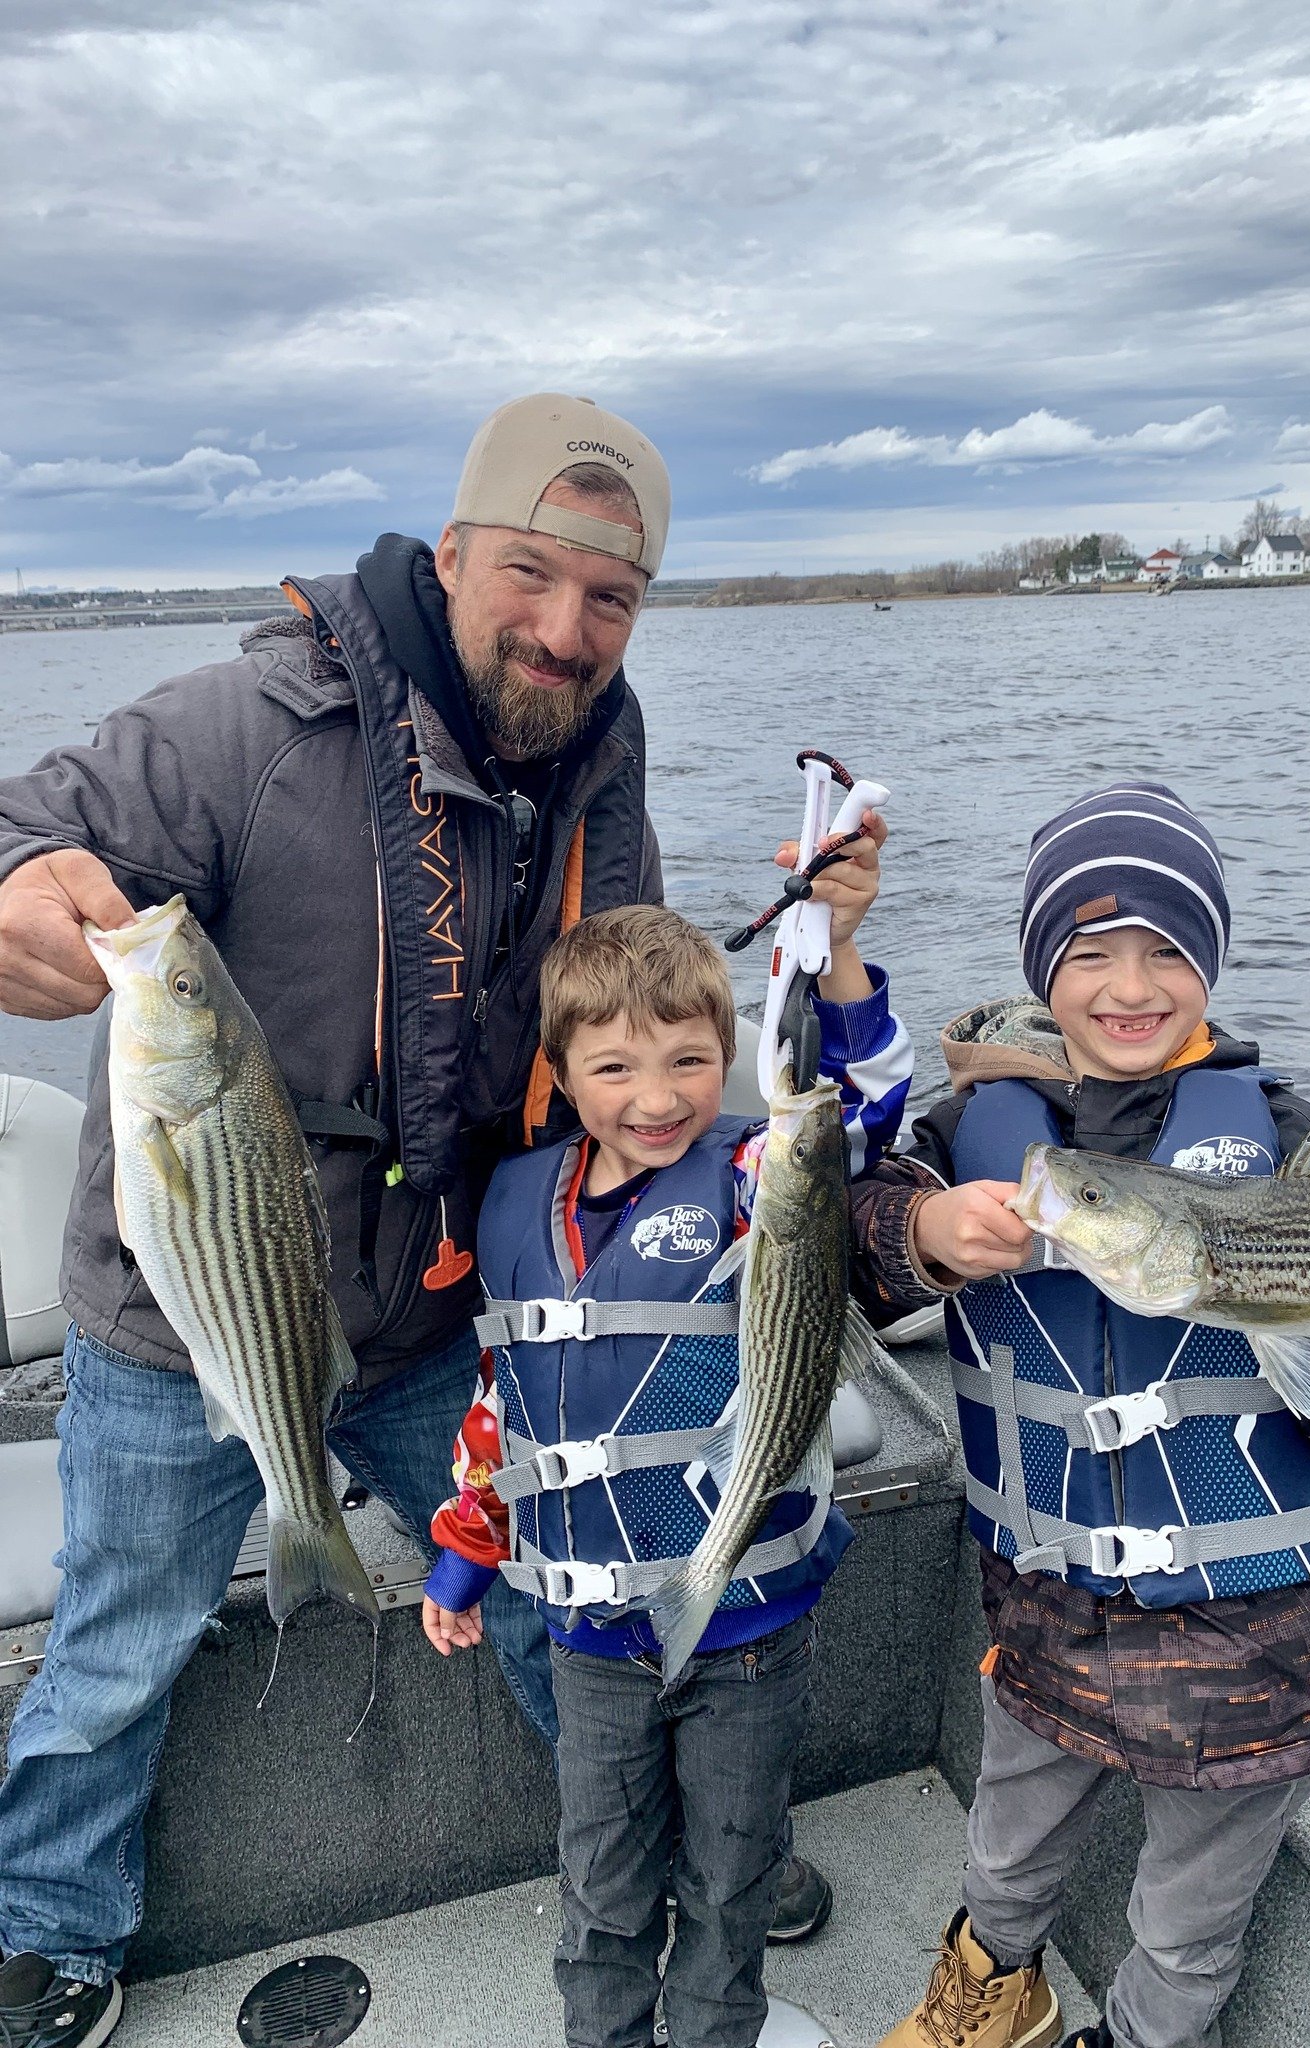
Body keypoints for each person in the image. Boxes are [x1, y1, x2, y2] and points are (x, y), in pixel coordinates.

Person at [0, 394, 687, 2048]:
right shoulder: (246, 722)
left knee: (552, 1583)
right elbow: (35, 827)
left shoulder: (602, 769)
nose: (564, 626)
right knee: (115, 1643)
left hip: (431, 1316)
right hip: (185, 1322)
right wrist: (17, 886)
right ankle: (50, 1933)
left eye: (611, 598)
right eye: (530, 572)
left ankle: (659, 1857)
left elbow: (629, 1005)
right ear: (450, 557)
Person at [851, 783, 1310, 2048]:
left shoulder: (1282, 1138)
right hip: (1044, 1609)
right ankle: (991, 1997)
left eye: (1166, 946)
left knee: (1190, 1914)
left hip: (1253, 1635)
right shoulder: (971, 1129)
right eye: (1089, 949)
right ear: (1040, 970)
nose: (1130, 981)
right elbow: (853, 1234)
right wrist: (931, 1231)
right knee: (1004, 1847)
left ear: (1211, 960)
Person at [421, 862, 912, 2048]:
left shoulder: (758, 1173)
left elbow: (869, 1108)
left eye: (690, 1061)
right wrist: (466, 1552)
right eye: (616, 1067)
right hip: (590, 1642)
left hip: (746, 1629)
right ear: (565, 1072)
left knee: (734, 1880)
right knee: (601, 1890)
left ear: (727, 1058)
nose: (657, 1096)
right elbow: (507, 1407)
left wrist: (836, 953)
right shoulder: (514, 1201)